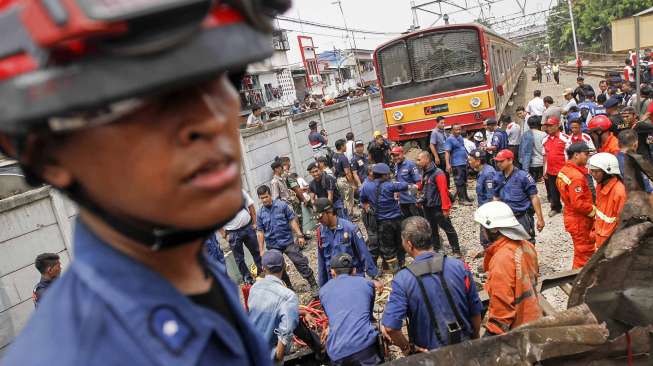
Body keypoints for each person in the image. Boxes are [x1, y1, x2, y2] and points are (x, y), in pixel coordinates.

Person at [0, 1, 292, 364]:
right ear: (45, 153)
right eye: (148, 100)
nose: (210, 119)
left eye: (217, 75)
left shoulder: (195, 273)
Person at [381, 217, 482, 354]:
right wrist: (475, 339)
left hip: (429, 355)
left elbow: (390, 327)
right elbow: (475, 310)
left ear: (409, 244)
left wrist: (408, 349)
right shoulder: (459, 266)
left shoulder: (403, 279)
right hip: (465, 348)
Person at [474, 202, 543, 335]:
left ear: (493, 229)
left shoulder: (502, 259)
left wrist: (490, 339)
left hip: (519, 329)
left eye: (483, 227)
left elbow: (502, 313)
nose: (482, 231)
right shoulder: (527, 245)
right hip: (534, 316)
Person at [320, 253, 382, 365]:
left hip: (336, 353)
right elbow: (369, 316)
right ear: (354, 270)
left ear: (332, 271)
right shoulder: (367, 284)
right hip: (364, 347)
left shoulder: (323, 291)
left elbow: (331, 318)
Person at [256, 185, 318, 292]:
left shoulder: (282, 205)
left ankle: (313, 284)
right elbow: (260, 231)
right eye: (262, 198)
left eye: (266, 197)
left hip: (287, 242)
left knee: (299, 261)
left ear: (270, 195)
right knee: (277, 267)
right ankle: (288, 288)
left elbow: (292, 220)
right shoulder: (260, 213)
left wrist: (299, 235)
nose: (264, 200)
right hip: (272, 245)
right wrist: (261, 250)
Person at [247, 250, 300, 364]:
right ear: (284, 266)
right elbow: (286, 331)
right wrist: (277, 357)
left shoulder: (255, 288)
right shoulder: (288, 296)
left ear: (263, 268)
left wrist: (302, 312)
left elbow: (268, 310)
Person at [359, 163, 413, 272]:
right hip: (397, 220)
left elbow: (363, 200)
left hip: (382, 222)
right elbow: (405, 185)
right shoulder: (389, 185)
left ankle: (395, 272)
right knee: (400, 243)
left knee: (388, 249)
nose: (388, 176)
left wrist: (369, 208)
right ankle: (402, 265)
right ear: (383, 175)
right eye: (387, 174)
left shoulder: (366, 186)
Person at [314, 198, 379, 287]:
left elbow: (364, 253)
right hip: (334, 281)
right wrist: (323, 286)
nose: (319, 221)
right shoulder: (320, 232)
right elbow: (321, 261)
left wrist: (374, 276)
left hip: (353, 279)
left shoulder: (351, 229)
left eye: (321, 217)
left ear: (330, 211)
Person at [556, 142, 596, 269]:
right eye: (586, 154)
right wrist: (595, 212)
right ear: (576, 155)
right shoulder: (576, 177)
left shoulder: (564, 171)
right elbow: (578, 203)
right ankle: (579, 281)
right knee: (585, 253)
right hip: (580, 221)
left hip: (571, 217)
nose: (587, 157)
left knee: (581, 253)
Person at [492, 149, 545, 243]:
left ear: (510, 160)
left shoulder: (523, 177)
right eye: (497, 161)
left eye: (501, 161)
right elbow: (496, 198)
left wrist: (540, 219)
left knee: (526, 243)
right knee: (507, 244)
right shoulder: (497, 177)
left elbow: (534, 197)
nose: (498, 164)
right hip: (505, 218)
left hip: (522, 217)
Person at [416, 151, 460, 254]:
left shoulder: (438, 173)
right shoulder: (424, 171)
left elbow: (443, 192)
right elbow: (424, 186)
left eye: (419, 160)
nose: (417, 162)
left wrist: (445, 208)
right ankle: (436, 248)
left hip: (438, 207)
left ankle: (456, 250)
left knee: (448, 228)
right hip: (427, 206)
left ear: (427, 160)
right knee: (432, 229)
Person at [220, 189, 262, 284]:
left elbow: (250, 206)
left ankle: (262, 271)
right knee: (239, 259)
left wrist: (255, 223)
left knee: (256, 251)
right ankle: (248, 278)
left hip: (248, 227)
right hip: (232, 233)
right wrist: (224, 235)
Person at [588, 153, 626, 248]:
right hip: (602, 240)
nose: (593, 174)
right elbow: (600, 213)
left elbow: (624, 224)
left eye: (596, 172)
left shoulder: (619, 192)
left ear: (608, 172)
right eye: (591, 171)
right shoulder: (600, 186)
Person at [542, 117, 570, 216]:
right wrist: (544, 170)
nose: (548, 128)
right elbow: (545, 156)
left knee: (566, 190)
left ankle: (570, 208)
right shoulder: (545, 140)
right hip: (551, 170)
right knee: (553, 190)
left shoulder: (565, 138)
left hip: (563, 170)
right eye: (547, 126)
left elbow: (569, 155)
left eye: (550, 126)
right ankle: (556, 207)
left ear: (557, 126)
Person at [468, 149, 496, 247]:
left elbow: (491, 196)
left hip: (488, 210)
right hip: (483, 208)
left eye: (471, 160)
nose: (469, 162)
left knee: (488, 236)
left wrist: (487, 214)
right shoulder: (482, 172)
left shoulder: (488, 173)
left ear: (478, 161)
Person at [392, 146, 423, 217]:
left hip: (412, 201)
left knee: (419, 222)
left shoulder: (410, 164)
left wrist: (413, 196)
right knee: (409, 223)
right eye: (394, 156)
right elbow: (398, 181)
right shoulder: (396, 166)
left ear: (402, 154)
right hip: (402, 202)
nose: (396, 157)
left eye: (397, 155)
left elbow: (418, 182)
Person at [445, 124, 472, 205]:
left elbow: (463, 148)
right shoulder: (449, 139)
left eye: (459, 129)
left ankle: (466, 197)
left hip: (463, 162)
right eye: (456, 130)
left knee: (464, 181)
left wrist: (467, 158)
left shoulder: (460, 137)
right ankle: (461, 199)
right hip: (456, 164)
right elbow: (447, 152)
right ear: (452, 130)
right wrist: (448, 164)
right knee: (459, 182)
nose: (458, 131)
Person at [334, 138, 359, 219]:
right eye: (345, 145)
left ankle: (350, 214)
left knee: (345, 199)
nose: (346, 147)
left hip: (338, 180)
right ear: (341, 146)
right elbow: (347, 173)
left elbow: (334, 169)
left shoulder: (334, 156)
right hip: (344, 180)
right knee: (349, 199)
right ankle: (350, 217)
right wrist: (352, 184)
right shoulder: (343, 158)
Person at [519, 116, 546, 182]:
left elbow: (522, 151)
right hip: (541, 164)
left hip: (529, 165)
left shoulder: (525, 135)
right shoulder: (544, 135)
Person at [429, 116, 450, 186]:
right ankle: (444, 188)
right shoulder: (434, 132)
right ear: (437, 123)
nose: (443, 124)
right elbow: (432, 145)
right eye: (441, 123)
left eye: (444, 123)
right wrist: (436, 157)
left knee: (447, 173)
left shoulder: (443, 131)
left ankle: (447, 188)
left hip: (445, 154)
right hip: (441, 155)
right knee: (443, 173)